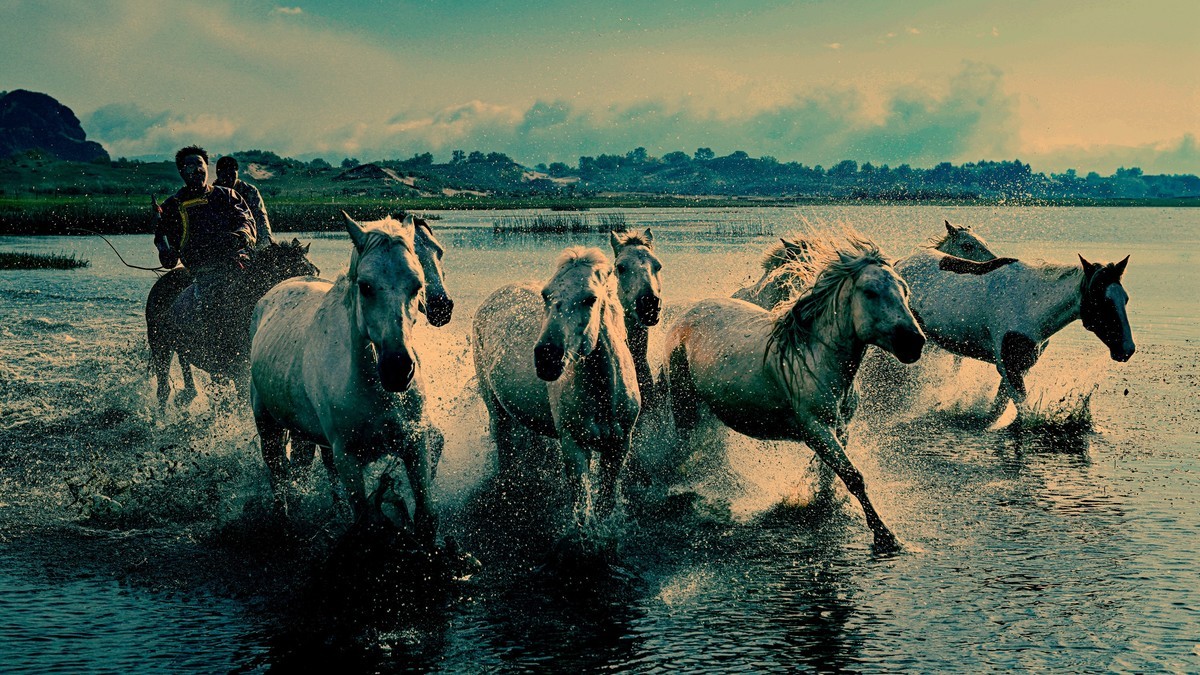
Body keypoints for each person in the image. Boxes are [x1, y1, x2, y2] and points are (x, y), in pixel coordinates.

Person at [153, 145, 256, 322]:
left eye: (200, 164)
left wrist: (242, 235)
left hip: (237, 264)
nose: (197, 169)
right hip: (203, 271)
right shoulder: (171, 206)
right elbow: (163, 244)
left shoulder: (228, 195)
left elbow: (246, 221)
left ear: (207, 168)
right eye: (191, 165)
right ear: (181, 171)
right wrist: (166, 253)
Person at [214, 155, 275, 248]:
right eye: (225, 175)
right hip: (224, 240)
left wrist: (266, 243)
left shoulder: (250, 191)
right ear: (218, 174)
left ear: (237, 173)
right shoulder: (213, 192)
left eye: (232, 175)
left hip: (249, 237)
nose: (229, 179)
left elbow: (260, 218)